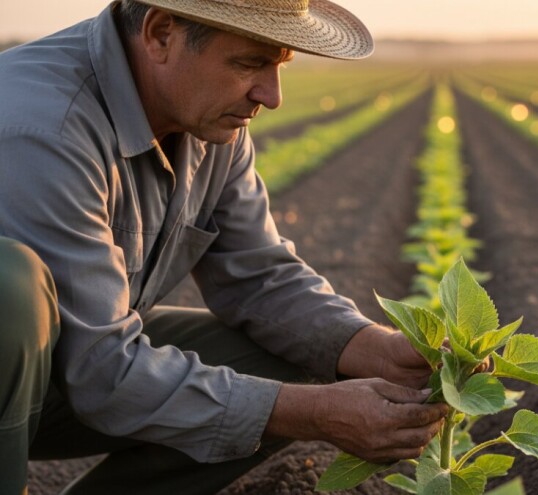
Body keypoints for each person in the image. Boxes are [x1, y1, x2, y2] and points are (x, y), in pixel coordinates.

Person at [0, 1, 450, 493]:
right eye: (249, 62)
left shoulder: (207, 121)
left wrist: (375, 349)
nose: (271, 95)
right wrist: (314, 414)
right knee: (9, 288)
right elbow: (100, 370)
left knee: (304, 355)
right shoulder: (43, 125)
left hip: (63, 370)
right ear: (160, 34)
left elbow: (260, 277)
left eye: (279, 63)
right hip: (28, 374)